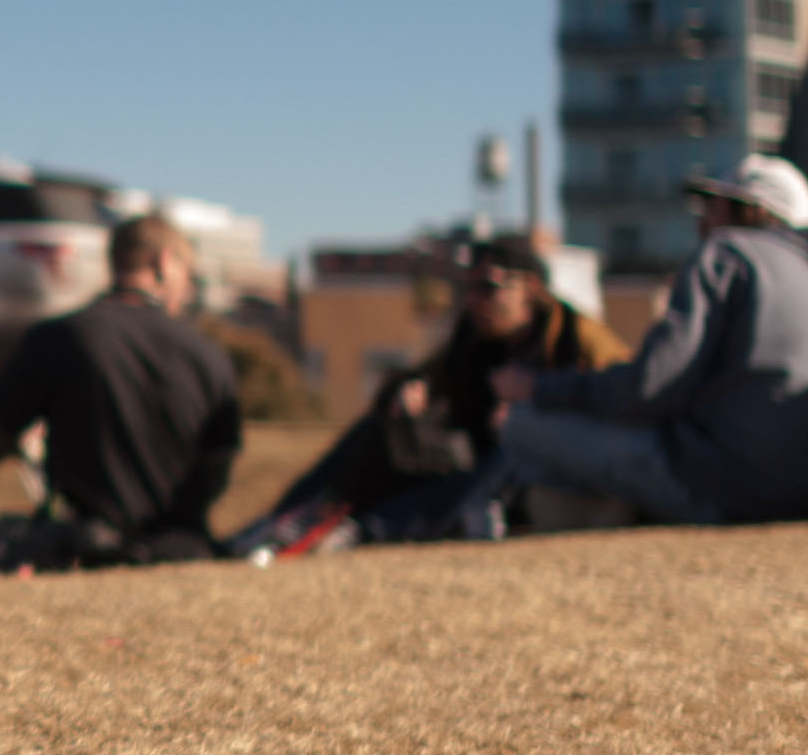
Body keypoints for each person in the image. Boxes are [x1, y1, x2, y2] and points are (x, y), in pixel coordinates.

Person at [458, 155, 808, 535]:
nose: (700, 221)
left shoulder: (728, 254)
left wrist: (538, 388)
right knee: (552, 462)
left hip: (732, 488)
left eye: (712, 206)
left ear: (748, 210)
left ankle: (482, 522)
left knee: (519, 424)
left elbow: (649, 388)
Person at [226, 234, 630, 555]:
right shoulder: (472, 335)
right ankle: (281, 520)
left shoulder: (578, 337)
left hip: (533, 466)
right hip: (466, 451)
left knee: (509, 449)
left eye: (488, 288)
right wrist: (407, 392)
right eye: (469, 288)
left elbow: (622, 394)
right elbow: (422, 376)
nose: (475, 301)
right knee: (378, 429)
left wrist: (538, 401)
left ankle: (361, 531)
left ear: (531, 289)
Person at [0, 212, 242, 573]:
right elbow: (217, 469)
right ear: (165, 262)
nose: (186, 293)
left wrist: (29, 437)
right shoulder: (211, 356)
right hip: (178, 546)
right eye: (189, 277)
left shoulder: (61, 336)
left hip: (76, 548)